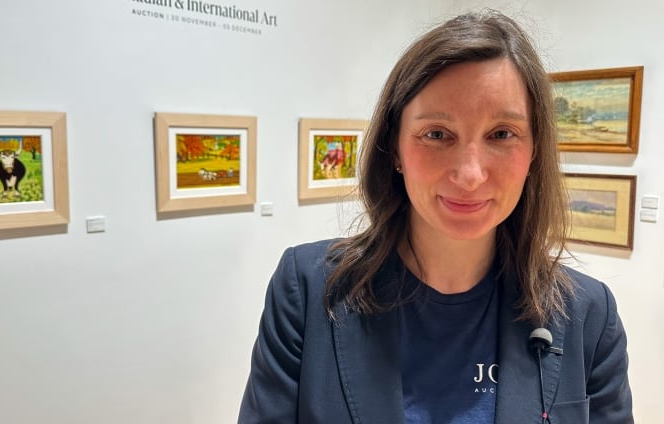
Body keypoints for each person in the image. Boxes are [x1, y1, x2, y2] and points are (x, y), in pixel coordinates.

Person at [239, 9, 633, 424]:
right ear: (394, 149)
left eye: (501, 134)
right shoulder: (307, 289)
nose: (469, 175)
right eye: (437, 135)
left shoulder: (588, 315)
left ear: (534, 150)